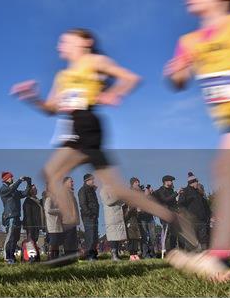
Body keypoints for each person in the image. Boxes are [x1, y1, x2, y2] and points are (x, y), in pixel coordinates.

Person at [11, 28, 197, 266]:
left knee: (51, 174)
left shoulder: (94, 61)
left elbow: (130, 78)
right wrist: (32, 97)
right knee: (118, 190)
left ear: (85, 42)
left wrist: (113, 93)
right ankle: (173, 218)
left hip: (87, 126)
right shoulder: (62, 76)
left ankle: (69, 243)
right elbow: (51, 108)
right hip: (74, 129)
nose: (60, 45)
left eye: (66, 40)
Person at [164, 0, 230, 282]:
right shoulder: (189, 41)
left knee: (224, 166)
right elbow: (179, 80)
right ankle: (220, 257)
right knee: (224, 168)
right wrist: (176, 72)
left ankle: (219, 258)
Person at [0, 171, 32, 264]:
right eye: (10, 178)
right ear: (6, 179)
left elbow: (25, 193)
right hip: (10, 216)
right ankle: (7, 257)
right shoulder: (3, 189)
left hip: (17, 216)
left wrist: (28, 183)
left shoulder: (14, 190)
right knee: (10, 237)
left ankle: (12, 257)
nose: (12, 179)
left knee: (15, 238)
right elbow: (11, 189)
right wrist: (20, 180)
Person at [178, 172, 212, 250]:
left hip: (202, 221)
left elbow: (205, 206)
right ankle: (191, 257)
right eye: (197, 182)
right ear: (192, 182)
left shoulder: (198, 192)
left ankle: (204, 255)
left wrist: (208, 217)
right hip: (191, 221)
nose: (197, 183)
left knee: (203, 239)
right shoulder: (185, 191)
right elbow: (180, 204)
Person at [100, 186, 126, 261]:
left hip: (118, 215)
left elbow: (121, 202)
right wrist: (117, 197)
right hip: (111, 216)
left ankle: (117, 254)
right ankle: (113, 254)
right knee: (113, 236)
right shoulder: (103, 190)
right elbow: (108, 201)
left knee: (118, 236)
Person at [153, 175, 179, 254]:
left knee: (174, 233)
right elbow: (165, 200)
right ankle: (168, 252)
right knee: (167, 233)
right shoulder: (161, 190)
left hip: (173, 214)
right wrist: (176, 193)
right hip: (165, 214)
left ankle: (173, 250)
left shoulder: (171, 190)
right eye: (171, 180)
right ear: (166, 181)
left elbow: (173, 202)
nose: (172, 182)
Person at [78, 174, 99, 261]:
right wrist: (90, 214)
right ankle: (88, 255)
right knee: (90, 235)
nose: (93, 181)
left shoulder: (91, 190)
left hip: (94, 216)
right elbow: (83, 204)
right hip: (88, 217)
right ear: (87, 180)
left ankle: (93, 254)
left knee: (94, 236)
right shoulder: (82, 190)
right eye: (92, 180)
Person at [138, 180, 157, 259]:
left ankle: (152, 252)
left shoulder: (151, 197)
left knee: (153, 236)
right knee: (144, 236)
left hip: (150, 217)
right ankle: (145, 254)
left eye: (149, 189)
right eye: (147, 189)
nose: (148, 190)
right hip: (142, 218)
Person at [124, 179, 142, 261]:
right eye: (136, 183)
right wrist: (134, 208)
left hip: (135, 217)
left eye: (138, 183)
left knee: (135, 236)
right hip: (130, 218)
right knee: (131, 236)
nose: (138, 184)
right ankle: (131, 254)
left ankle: (135, 253)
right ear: (132, 184)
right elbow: (128, 206)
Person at [62, 177, 80, 258]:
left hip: (73, 221)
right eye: (71, 181)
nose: (73, 183)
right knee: (68, 241)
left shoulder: (71, 193)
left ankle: (73, 257)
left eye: (73, 181)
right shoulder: (63, 193)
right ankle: (68, 257)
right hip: (67, 221)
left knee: (73, 240)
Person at [43, 190, 63, 260]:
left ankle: (56, 257)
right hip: (52, 225)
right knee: (53, 242)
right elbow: (48, 210)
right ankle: (50, 257)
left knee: (57, 243)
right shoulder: (49, 199)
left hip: (58, 224)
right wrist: (60, 210)